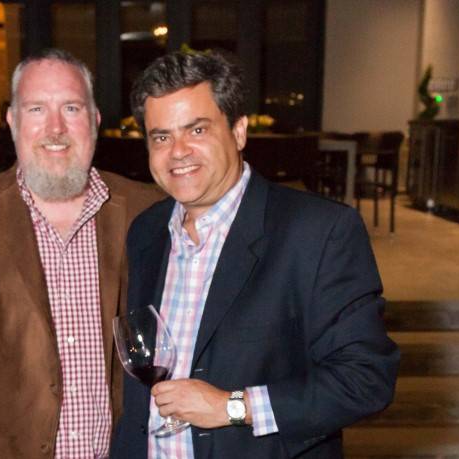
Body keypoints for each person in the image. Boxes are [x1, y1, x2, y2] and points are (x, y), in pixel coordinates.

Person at [111, 51, 399, 458]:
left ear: (239, 131)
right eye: (161, 137)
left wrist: (234, 407)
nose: (177, 151)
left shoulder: (319, 232)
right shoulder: (147, 230)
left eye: (197, 130)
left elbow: (366, 379)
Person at [0, 48, 162, 458]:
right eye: (37, 108)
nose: (55, 128)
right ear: (12, 121)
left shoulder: (148, 210)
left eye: (71, 108)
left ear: (94, 120)